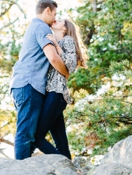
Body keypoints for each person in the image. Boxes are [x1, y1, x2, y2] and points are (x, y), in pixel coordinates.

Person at [9, 0, 69, 160]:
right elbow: (54, 59)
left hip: (23, 84)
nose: (55, 18)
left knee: (28, 134)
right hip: (29, 84)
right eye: (54, 14)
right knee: (26, 134)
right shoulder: (42, 27)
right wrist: (66, 73)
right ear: (47, 10)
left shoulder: (34, 27)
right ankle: (20, 171)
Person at [33, 17, 88, 159]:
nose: (56, 20)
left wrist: (57, 47)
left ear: (65, 28)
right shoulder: (55, 41)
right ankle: (69, 170)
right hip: (54, 94)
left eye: (60, 21)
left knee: (37, 137)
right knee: (61, 143)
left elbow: (70, 66)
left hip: (56, 93)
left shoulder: (67, 40)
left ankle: (63, 166)